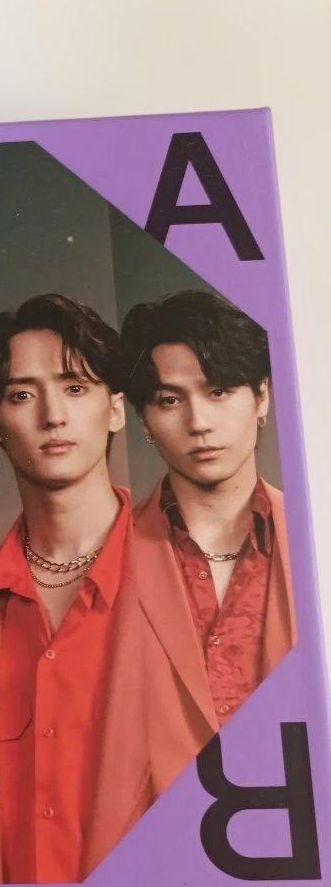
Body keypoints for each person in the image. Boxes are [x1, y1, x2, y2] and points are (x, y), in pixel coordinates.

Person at [0, 294, 139, 883]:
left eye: (75, 387)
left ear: (115, 409)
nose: (53, 415)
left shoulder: (181, 581)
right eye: (22, 395)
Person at [121, 290, 295, 731]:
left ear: (261, 397)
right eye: (170, 400)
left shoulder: (314, 538)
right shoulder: (108, 556)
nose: (198, 422)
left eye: (218, 391)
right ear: (143, 420)